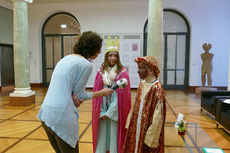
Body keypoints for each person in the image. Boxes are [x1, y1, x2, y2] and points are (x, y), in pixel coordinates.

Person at [37, 31, 114, 153]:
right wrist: (102, 92)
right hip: (61, 116)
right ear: (92, 48)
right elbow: (80, 95)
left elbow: (70, 91)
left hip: (46, 114)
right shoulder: (85, 64)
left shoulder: (66, 58)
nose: (99, 53)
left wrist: (76, 98)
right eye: (98, 49)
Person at [92, 36, 131, 153]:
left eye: (115, 56)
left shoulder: (122, 72)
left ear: (118, 57)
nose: (113, 58)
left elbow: (123, 97)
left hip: (115, 111)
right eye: (110, 55)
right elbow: (97, 92)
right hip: (102, 108)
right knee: (102, 132)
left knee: (114, 132)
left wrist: (109, 113)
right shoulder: (101, 71)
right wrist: (102, 112)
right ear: (106, 56)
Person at [122, 56, 166, 153]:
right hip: (137, 126)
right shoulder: (142, 84)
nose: (138, 71)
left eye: (141, 68)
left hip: (147, 129)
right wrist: (130, 121)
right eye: (138, 68)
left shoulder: (157, 88)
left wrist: (151, 135)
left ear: (151, 70)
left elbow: (158, 116)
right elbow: (136, 104)